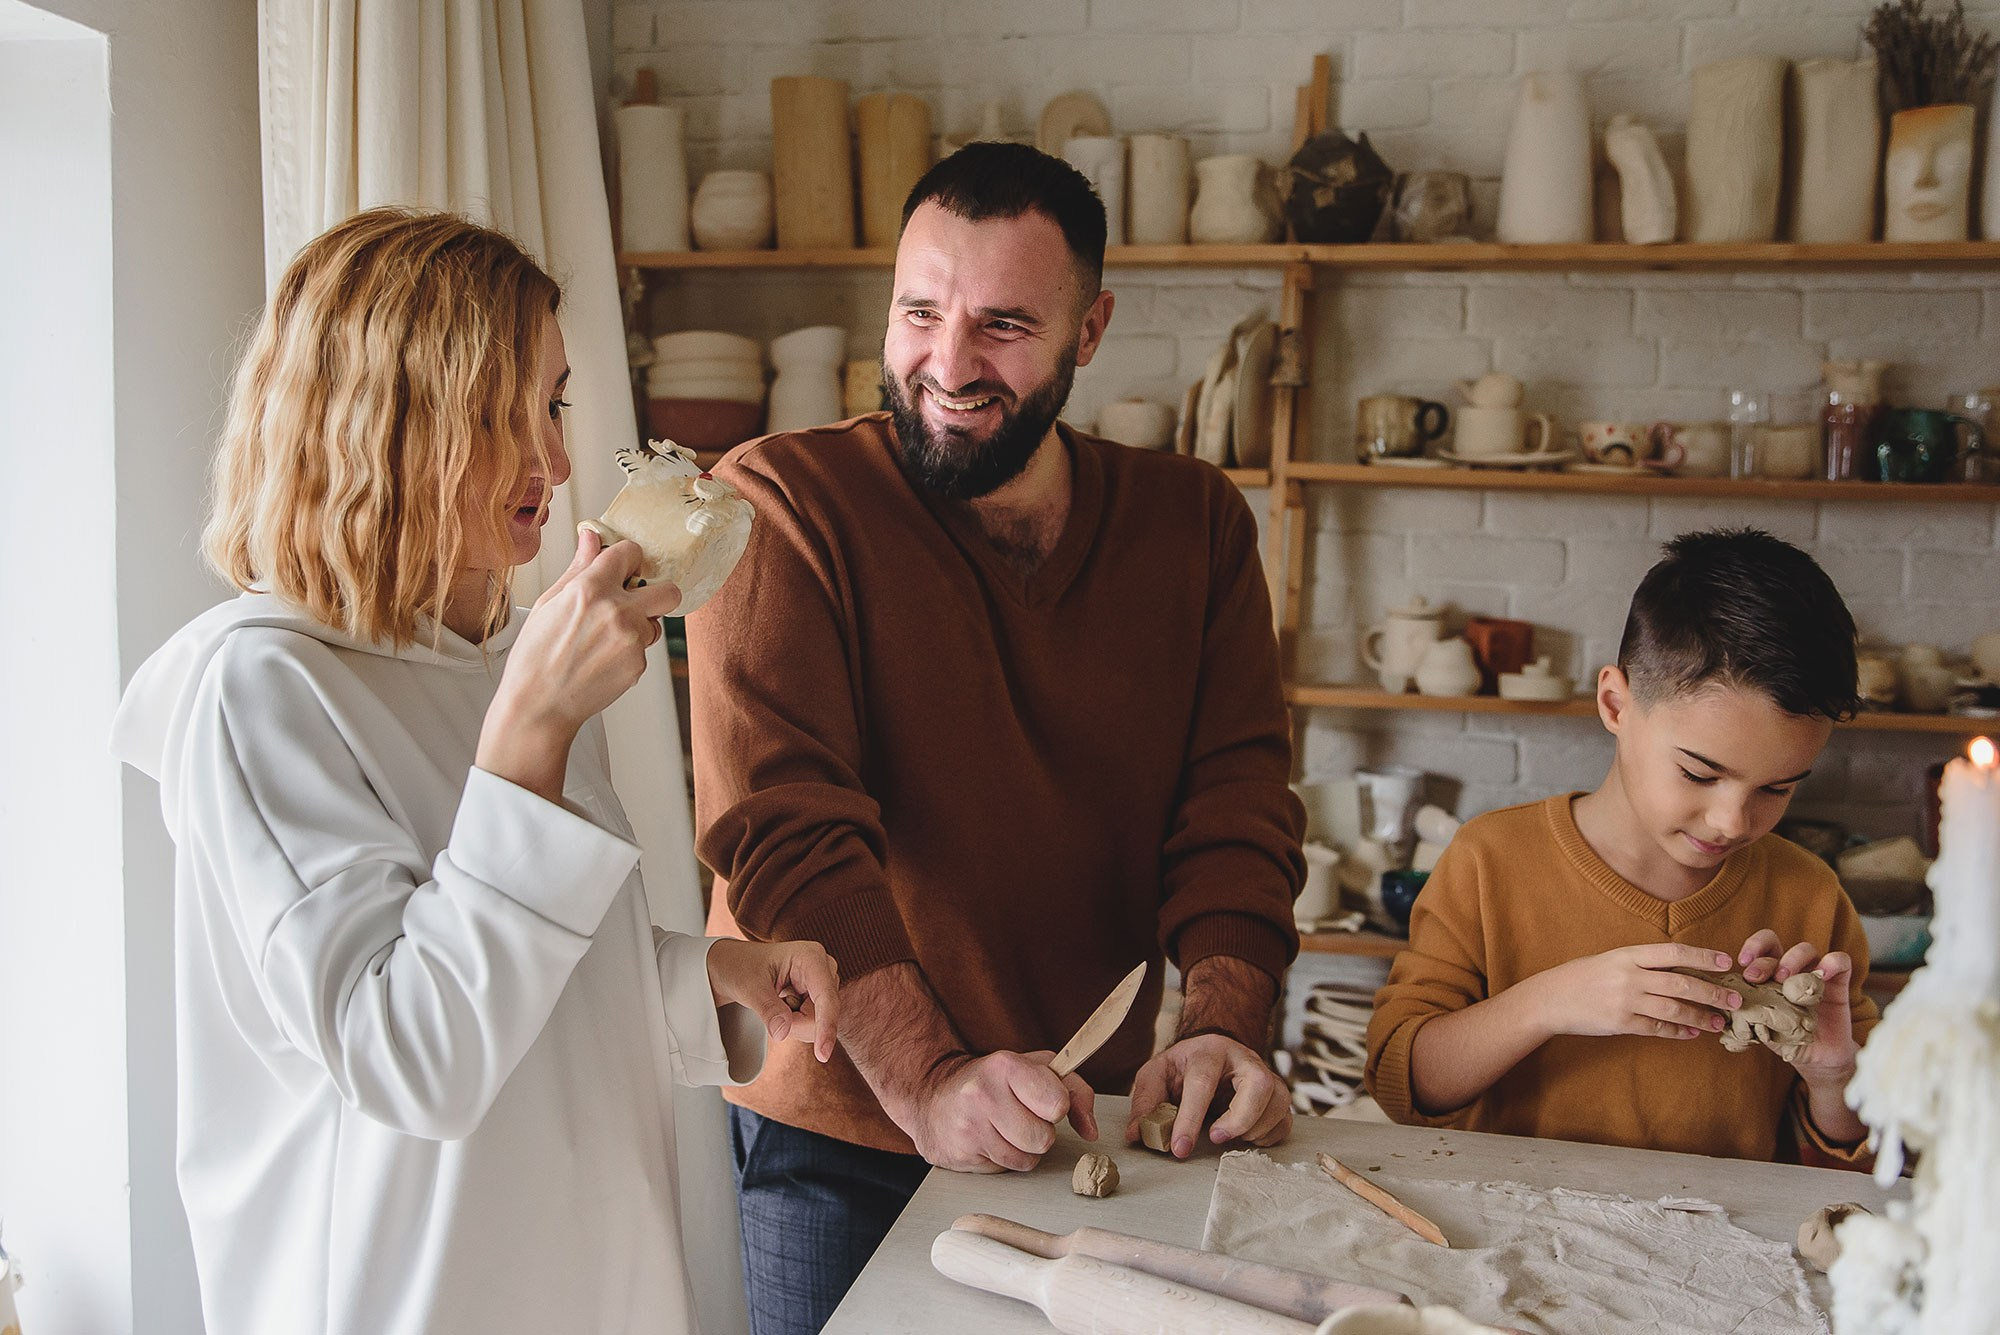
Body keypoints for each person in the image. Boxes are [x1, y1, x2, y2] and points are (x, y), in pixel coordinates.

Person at [110, 208, 839, 1335]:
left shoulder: (502, 657)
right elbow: (413, 1058)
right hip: (406, 1299)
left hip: (585, 1277)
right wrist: (528, 736)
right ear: (387, 423)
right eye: (504, 414)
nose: (552, 462)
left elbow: (533, 979)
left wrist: (703, 977)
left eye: (550, 402)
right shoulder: (259, 692)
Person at [686, 141, 1305, 1333]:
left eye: (1005, 326)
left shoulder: (1196, 527)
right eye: (920, 312)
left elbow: (1234, 807)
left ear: (1090, 330)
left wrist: (1223, 1024)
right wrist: (922, 1079)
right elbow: (784, 835)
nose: (947, 364)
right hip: (844, 1133)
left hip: (1090, 1121)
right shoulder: (777, 502)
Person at [1365, 528, 1878, 1166]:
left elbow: (1857, 1152)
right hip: (1520, 1231)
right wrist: (1549, 1002)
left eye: (1777, 789)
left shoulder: (1808, 893)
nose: (1731, 820)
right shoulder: (1489, 860)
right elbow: (1402, 1084)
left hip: (1724, 1246)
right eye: (1699, 773)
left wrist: (1833, 1079)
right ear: (1615, 703)